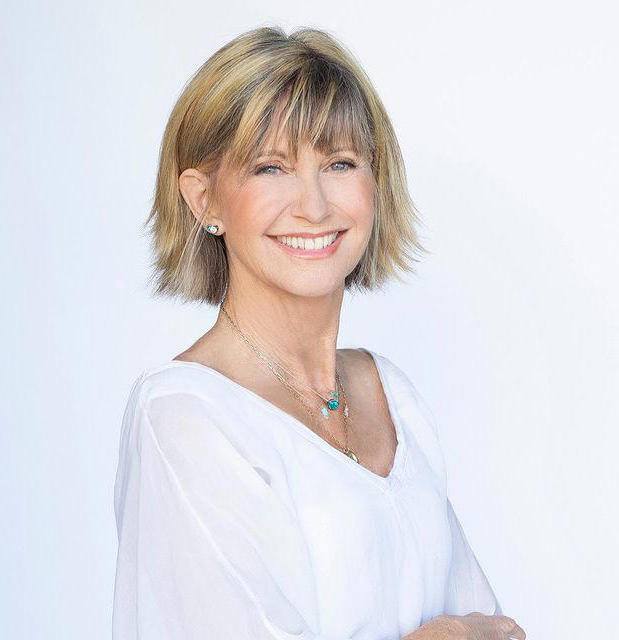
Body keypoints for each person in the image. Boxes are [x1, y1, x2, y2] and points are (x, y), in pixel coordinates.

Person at [112, 26, 526, 640]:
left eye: (339, 163)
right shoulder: (184, 417)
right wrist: (453, 634)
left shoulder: (392, 394)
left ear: (376, 183)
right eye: (270, 167)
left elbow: (504, 630)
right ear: (204, 201)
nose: (314, 205)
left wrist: (469, 631)